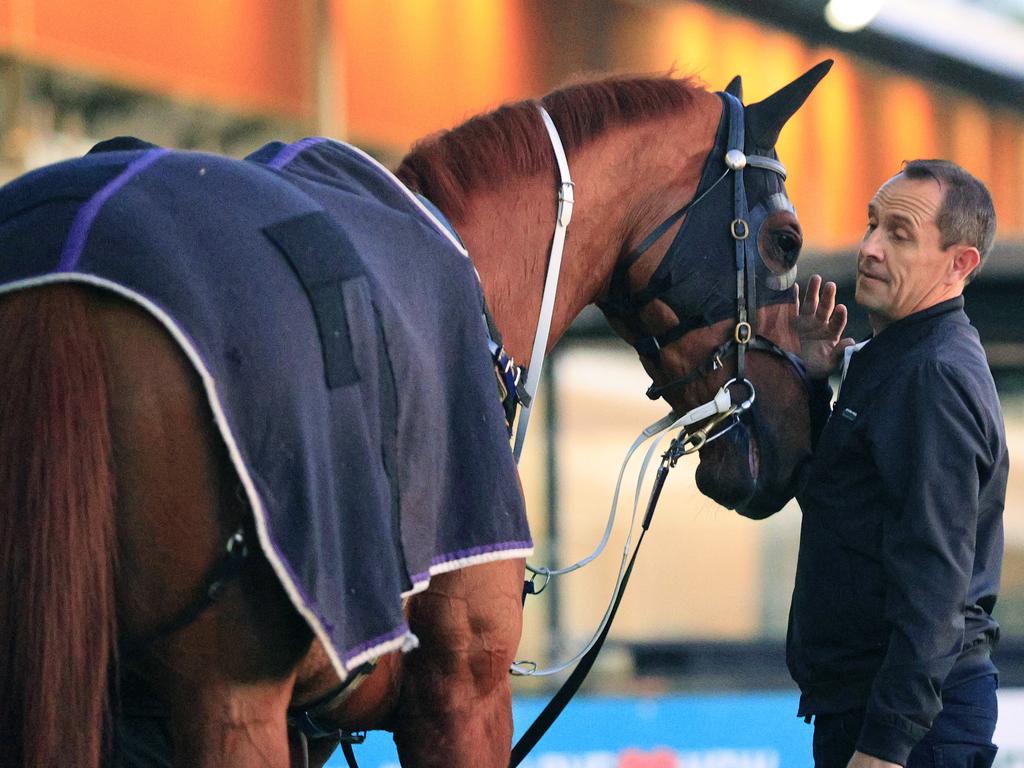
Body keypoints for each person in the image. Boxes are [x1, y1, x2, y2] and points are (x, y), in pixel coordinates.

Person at [788, 159, 1006, 768]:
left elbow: (936, 584)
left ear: (960, 264)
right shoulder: (895, 359)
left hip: (910, 726)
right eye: (871, 225)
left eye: (899, 235)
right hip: (873, 708)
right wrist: (812, 381)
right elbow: (838, 506)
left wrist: (885, 746)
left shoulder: (931, 373)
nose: (870, 249)